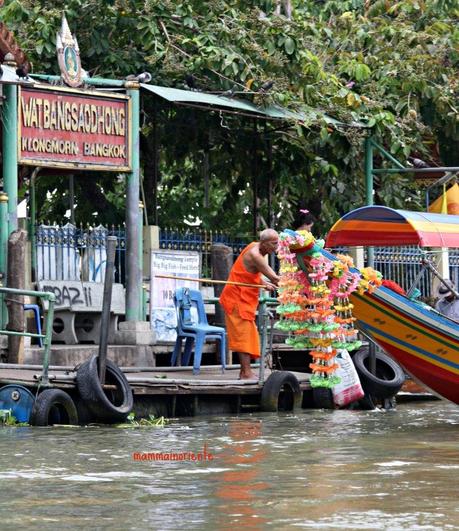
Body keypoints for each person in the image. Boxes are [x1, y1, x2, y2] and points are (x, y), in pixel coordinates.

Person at [219, 229, 280, 379]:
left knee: (249, 334)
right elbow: (275, 278)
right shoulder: (255, 254)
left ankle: (245, 371)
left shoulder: (256, 247)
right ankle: (245, 373)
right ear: (264, 243)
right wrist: (299, 284)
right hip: (236, 299)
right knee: (243, 336)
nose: (277, 247)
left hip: (244, 299)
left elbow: (249, 273)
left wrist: (262, 283)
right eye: (274, 243)